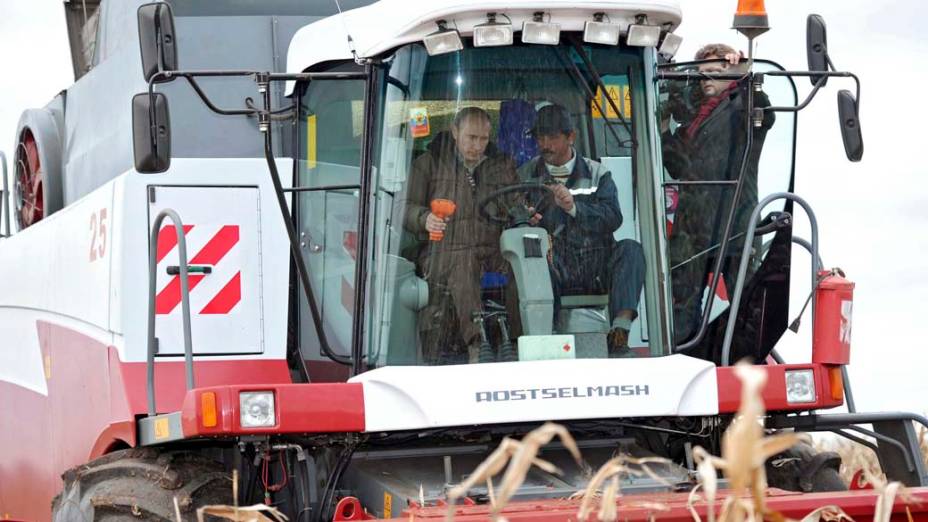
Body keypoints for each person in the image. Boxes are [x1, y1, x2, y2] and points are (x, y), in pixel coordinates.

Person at [660, 44, 775, 343]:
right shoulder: (693, 123)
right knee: (683, 304)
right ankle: (682, 355)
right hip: (695, 227)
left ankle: (742, 360)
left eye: (713, 72)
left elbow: (765, 115)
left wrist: (747, 78)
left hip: (734, 222)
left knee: (744, 303)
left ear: (731, 76)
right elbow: (677, 167)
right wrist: (661, 130)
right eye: (701, 74)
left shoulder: (741, 108)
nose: (705, 79)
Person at [518, 104, 645, 357]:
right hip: (552, 265)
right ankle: (547, 341)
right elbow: (510, 218)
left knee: (631, 249)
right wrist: (525, 220)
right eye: (540, 137)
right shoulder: (524, 174)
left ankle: (619, 333)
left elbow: (613, 218)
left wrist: (574, 207)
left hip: (596, 265)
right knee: (533, 263)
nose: (545, 144)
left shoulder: (598, 173)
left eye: (552, 137)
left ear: (571, 137)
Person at [404, 107, 520, 364]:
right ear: (455, 132)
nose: (477, 146)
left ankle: (521, 342)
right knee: (463, 262)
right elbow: (404, 207)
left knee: (522, 266)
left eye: (483, 139)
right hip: (443, 251)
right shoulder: (429, 163)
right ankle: (478, 345)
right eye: (471, 137)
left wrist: (527, 212)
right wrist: (424, 218)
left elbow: (518, 202)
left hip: (491, 249)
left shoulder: (502, 166)